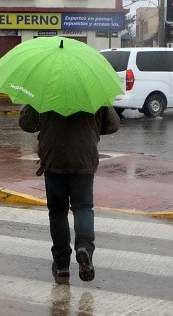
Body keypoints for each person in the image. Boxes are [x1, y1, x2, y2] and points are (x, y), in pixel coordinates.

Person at [19, 105, 120, 282]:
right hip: (83, 159)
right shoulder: (92, 91)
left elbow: (27, 124)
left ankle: (61, 264)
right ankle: (84, 249)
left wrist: (32, 106)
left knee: (58, 212)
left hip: (54, 159)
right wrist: (91, 126)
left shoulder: (46, 91)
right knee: (83, 208)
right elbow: (112, 125)